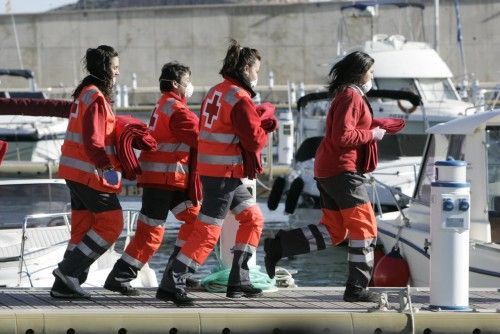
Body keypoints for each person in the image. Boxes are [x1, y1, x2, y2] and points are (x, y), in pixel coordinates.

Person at [264, 51, 395, 303]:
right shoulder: (351, 96)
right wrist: (372, 135)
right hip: (342, 171)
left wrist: (375, 124)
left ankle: (280, 246)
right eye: (371, 72)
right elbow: (342, 137)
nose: (373, 77)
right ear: (360, 73)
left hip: (329, 170)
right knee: (366, 229)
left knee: (335, 231)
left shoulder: (345, 95)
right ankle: (356, 288)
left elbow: (344, 129)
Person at [157, 39, 272, 306]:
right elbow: (254, 140)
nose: (257, 75)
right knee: (208, 232)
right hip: (224, 173)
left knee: (253, 219)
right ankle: (172, 284)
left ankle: (239, 279)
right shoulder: (240, 98)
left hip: (219, 172)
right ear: (245, 68)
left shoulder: (216, 91)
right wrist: (265, 124)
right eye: (256, 69)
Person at [103, 61, 201, 295]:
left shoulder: (166, 105)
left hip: (168, 179)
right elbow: (201, 136)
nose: (189, 86)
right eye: (187, 81)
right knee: (151, 232)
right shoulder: (177, 110)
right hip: (164, 179)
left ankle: (178, 273)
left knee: (196, 222)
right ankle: (120, 277)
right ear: (176, 84)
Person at [50, 45, 123, 299]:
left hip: (73, 171)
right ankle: (68, 273)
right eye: (114, 68)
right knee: (112, 225)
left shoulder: (84, 94)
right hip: (90, 173)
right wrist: (109, 167)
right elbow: (93, 141)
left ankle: (64, 286)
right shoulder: (95, 98)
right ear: (104, 70)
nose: (117, 72)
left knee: (82, 228)